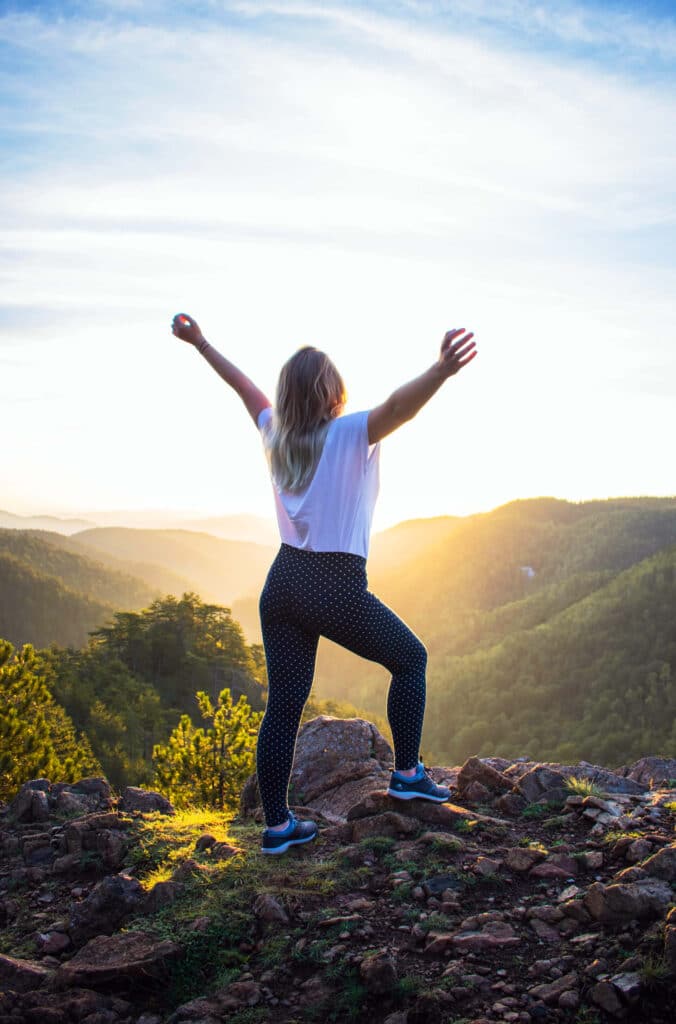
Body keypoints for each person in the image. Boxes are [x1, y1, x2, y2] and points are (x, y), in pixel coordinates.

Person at [171, 312, 477, 854]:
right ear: (332, 391)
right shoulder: (347, 432)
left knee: (283, 706)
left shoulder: (275, 433)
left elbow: (243, 386)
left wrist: (201, 343)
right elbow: (398, 408)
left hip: (282, 581)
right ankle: (407, 773)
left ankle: (277, 827)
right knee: (411, 659)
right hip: (332, 582)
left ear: (288, 395)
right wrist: (440, 370)